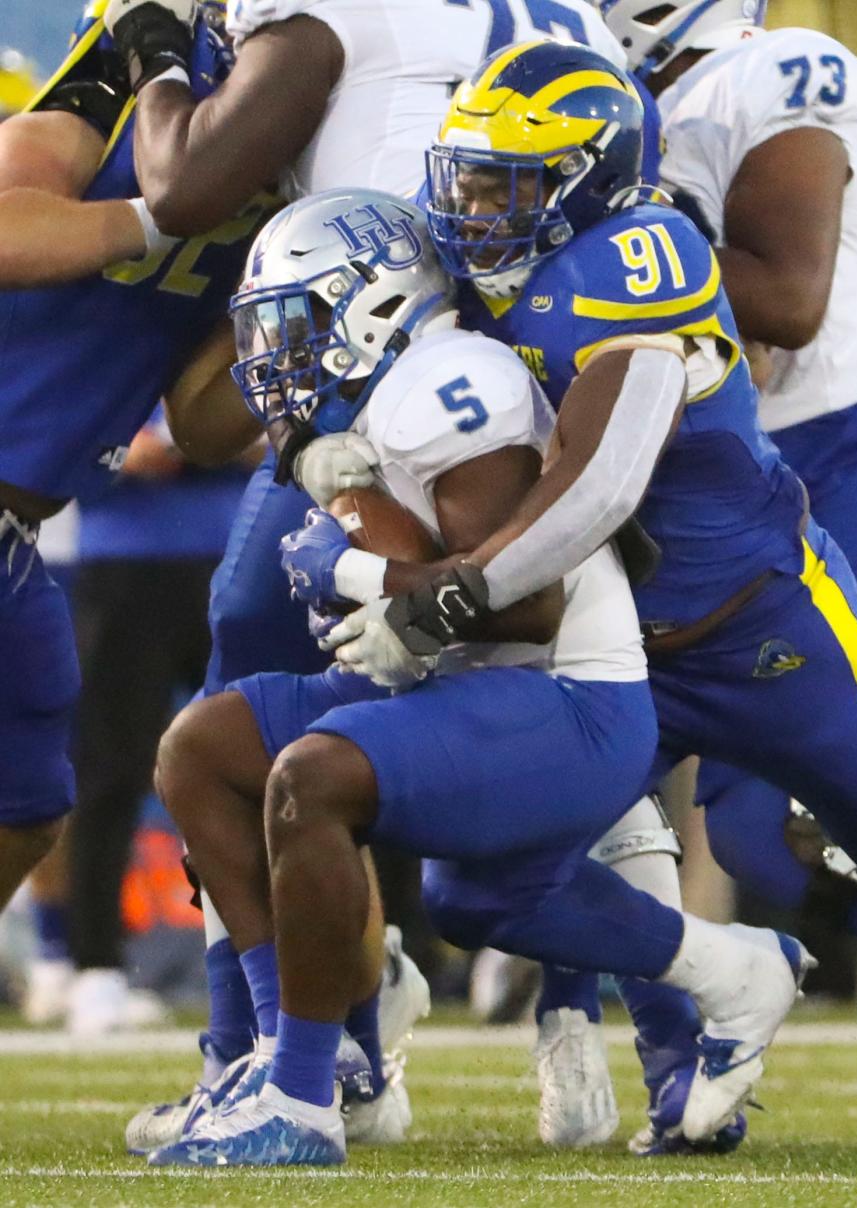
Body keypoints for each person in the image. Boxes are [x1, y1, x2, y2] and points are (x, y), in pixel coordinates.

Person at [316, 37, 857, 1155]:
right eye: (466, 174)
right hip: (629, 659)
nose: (471, 205)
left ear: (593, 178)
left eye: (506, 181)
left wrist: (448, 600)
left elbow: (598, 486)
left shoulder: (639, 257)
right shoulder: (478, 267)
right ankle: (717, 997)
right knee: (480, 887)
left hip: (769, 627)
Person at [145, 186, 809, 1167]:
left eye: (297, 320)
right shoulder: (380, 394)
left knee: (313, 778)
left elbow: (523, 598)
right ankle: (289, 1042)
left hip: (566, 692)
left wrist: (355, 566)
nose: (274, 355)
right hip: (470, 681)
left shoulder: (448, 383)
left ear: (373, 303)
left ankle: (304, 1099)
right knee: (206, 746)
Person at [101, 0, 650, 1156]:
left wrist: (148, 55)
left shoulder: (337, 23)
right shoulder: (568, 33)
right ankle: (490, 1014)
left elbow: (184, 187)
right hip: (504, 388)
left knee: (280, 674)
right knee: (253, 727)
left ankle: (285, 1051)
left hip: (427, 392)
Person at [575, 0, 857, 1154]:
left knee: (814, 818)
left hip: (855, 466)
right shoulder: (589, 92)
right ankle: (664, 1058)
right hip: (717, 496)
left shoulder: (779, 67)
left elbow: (787, 301)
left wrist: (602, 222)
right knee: (702, 820)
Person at [0, 0, 267, 957]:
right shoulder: (122, 76)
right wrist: (168, 213)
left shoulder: (299, 177)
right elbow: (8, 230)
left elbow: (198, 421)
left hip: (21, 536)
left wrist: (292, 332)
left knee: (29, 810)